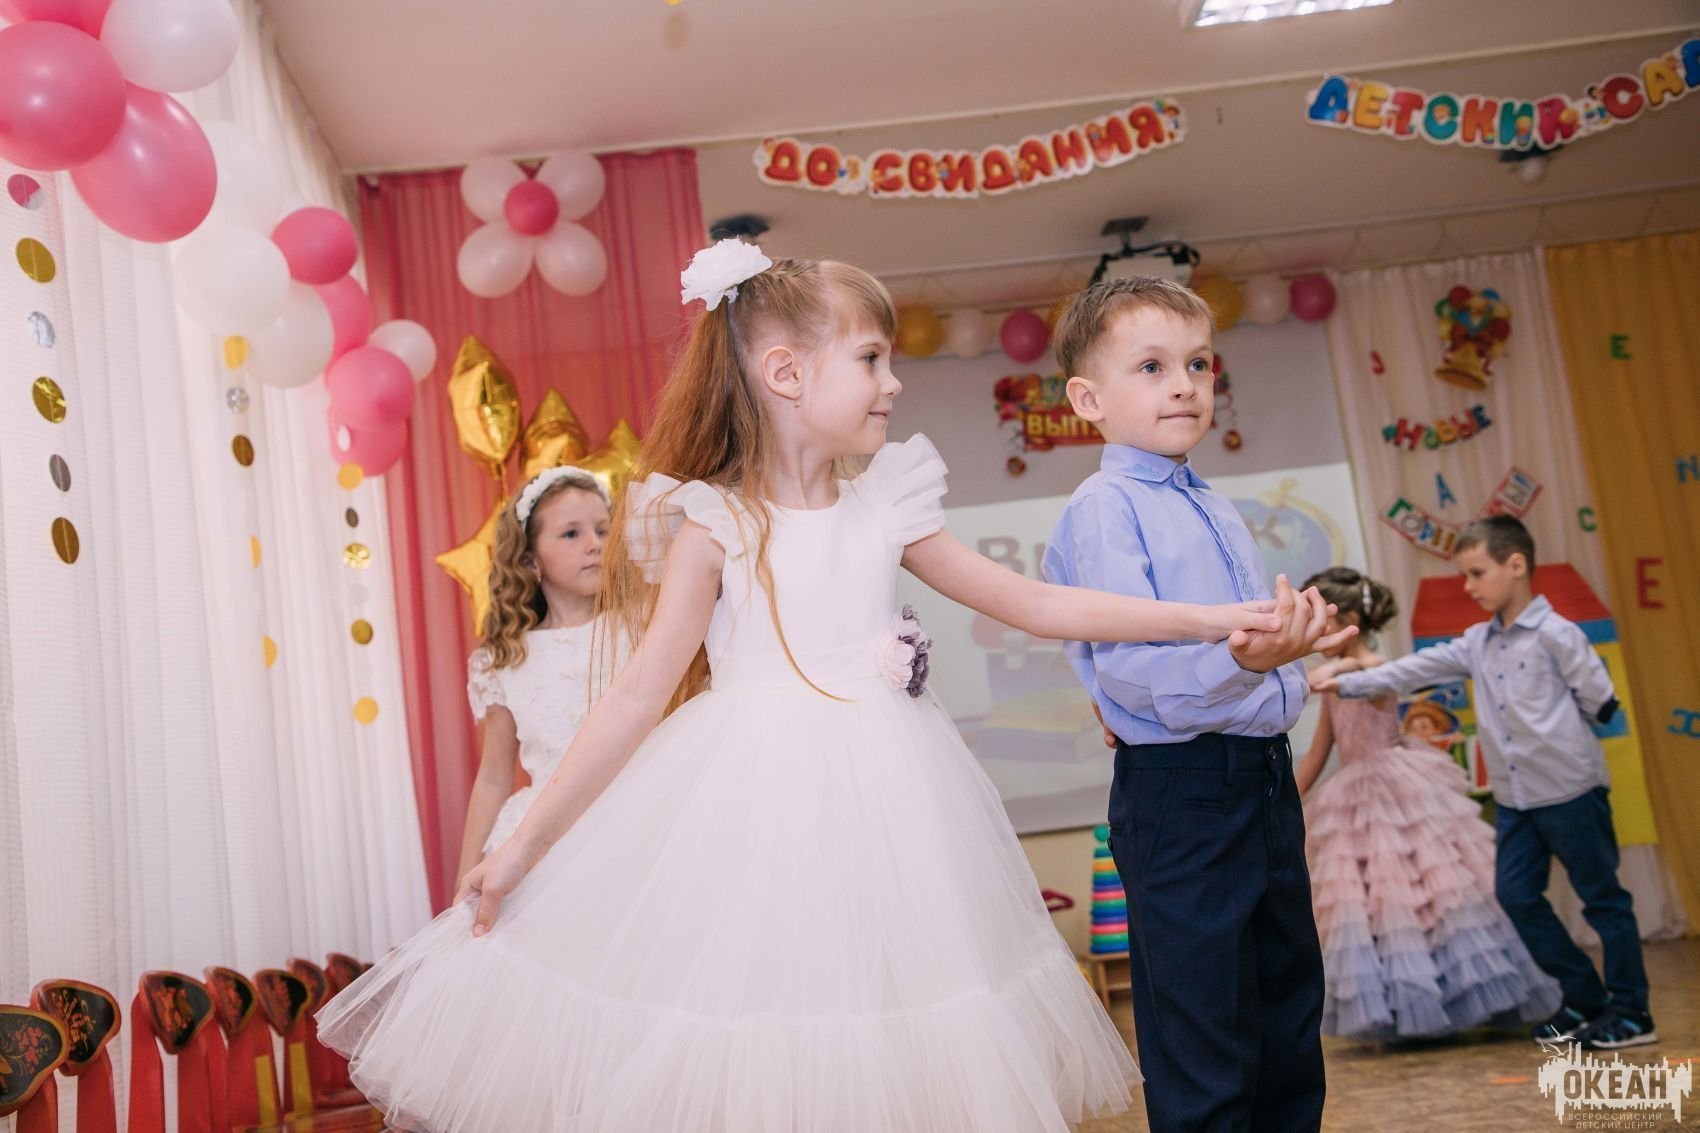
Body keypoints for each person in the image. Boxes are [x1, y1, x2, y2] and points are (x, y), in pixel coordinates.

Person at [317, 242, 1283, 1132]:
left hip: (896, 806)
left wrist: (1215, 621)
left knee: (897, 1033)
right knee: (770, 1035)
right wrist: (519, 848)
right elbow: (634, 699)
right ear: (786, 373)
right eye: (871, 358)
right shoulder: (715, 523)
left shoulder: (888, 504)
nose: (892, 382)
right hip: (755, 812)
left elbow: (1036, 601)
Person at [1043, 276, 1348, 1132]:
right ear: (1088, 399)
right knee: (1205, 1045)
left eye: (1199, 364)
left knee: (1288, 1033)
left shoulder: (1212, 502)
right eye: (1151, 366)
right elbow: (1134, 677)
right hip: (1183, 790)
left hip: (1262, 780)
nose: (1184, 384)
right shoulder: (1105, 507)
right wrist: (1246, 661)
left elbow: (1248, 653)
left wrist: (1288, 657)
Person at [1315, 516, 1654, 1051]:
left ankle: (1632, 1011)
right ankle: (1585, 996)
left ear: (1516, 565)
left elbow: (1599, 699)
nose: (1469, 586)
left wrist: (1562, 738)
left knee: (1602, 899)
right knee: (1516, 895)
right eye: (1465, 576)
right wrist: (1343, 681)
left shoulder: (1556, 634)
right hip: (1517, 798)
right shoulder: (1477, 642)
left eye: (1477, 573)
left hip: (1570, 790)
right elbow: (1409, 671)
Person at [1297, 567, 1560, 1040]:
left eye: (1322, 624)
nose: (1316, 638)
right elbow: (1318, 753)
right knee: (1380, 905)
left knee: (1427, 896)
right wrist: (1282, 798)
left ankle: (1458, 998)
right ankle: (1404, 1007)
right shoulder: (1336, 684)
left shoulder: (1372, 669)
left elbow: (1371, 668)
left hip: (1397, 790)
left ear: (1350, 621)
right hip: (1354, 797)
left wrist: (1337, 669)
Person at [455, 465, 624, 893]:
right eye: (571, 534)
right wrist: (463, 879)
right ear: (531, 561)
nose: (594, 544)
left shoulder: (640, 630)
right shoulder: (507, 659)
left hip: (632, 819)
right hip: (541, 843)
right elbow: (494, 778)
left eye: (603, 530)